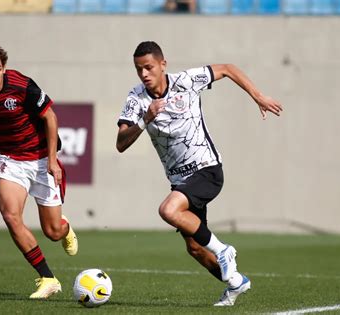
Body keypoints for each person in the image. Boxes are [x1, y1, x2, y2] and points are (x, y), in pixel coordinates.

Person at [116, 41, 282, 306]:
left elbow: (227, 68)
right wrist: (145, 119)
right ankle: (236, 283)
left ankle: (224, 250)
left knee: (168, 211)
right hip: (180, 181)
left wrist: (258, 96)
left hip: (206, 169)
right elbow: (121, 143)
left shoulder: (187, 81)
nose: (144, 74)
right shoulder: (136, 99)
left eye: (148, 67)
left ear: (162, 65)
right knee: (194, 248)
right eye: (139, 70)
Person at [0, 41, 78, 299]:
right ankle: (48, 278)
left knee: (53, 231)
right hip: (11, 161)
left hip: (42, 159)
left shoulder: (21, 85)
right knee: (11, 216)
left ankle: (65, 228)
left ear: (4, 68)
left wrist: (53, 160)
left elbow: (50, 117)